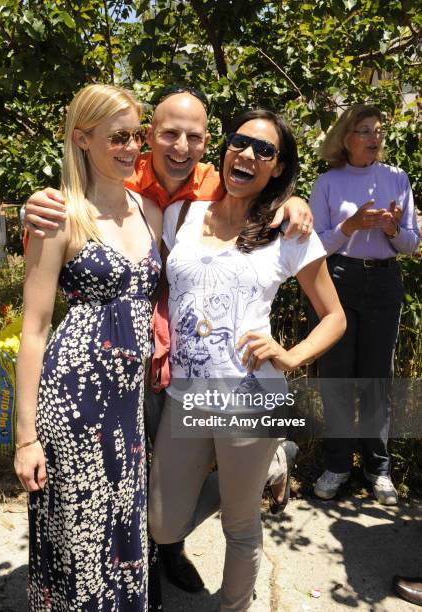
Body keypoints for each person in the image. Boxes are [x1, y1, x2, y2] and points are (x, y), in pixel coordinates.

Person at [23, 85, 310, 593]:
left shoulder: (210, 185)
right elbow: (78, 202)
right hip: (131, 367)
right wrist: (38, 206)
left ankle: (171, 552)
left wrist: (296, 201)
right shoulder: (124, 173)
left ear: (206, 144)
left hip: (184, 365)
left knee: (162, 490)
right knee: (152, 493)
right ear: (150, 135)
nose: (181, 147)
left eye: (194, 137)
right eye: (168, 134)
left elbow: (263, 194)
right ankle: (155, 552)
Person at [148, 109, 346, 612]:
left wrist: (290, 355)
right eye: (241, 141)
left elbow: (334, 317)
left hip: (251, 397)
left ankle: (234, 605)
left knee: (241, 524)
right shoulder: (181, 216)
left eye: (266, 151)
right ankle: (270, 465)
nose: (249, 154)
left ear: (278, 168)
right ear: (225, 148)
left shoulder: (289, 232)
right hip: (185, 396)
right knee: (162, 523)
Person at [14, 83, 162, 610]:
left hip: (127, 406)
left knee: (124, 528)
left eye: (136, 136)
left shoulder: (149, 210)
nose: (131, 148)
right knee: (79, 537)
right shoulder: (60, 217)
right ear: (82, 138)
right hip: (72, 400)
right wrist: (25, 436)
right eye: (117, 137)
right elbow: (34, 327)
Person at [310, 104, 420, 505]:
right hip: (337, 278)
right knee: (336, 376)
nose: (374, 138)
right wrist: (349, 227)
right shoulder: (328, 182)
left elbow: (411, 244)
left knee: (377, 378)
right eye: (364, 131)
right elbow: (314, 246)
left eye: (378, 130)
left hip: (385, 279)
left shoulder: (396, 178)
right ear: (346, 138)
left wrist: (393, 229)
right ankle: (337, 464)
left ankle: (379, 469)